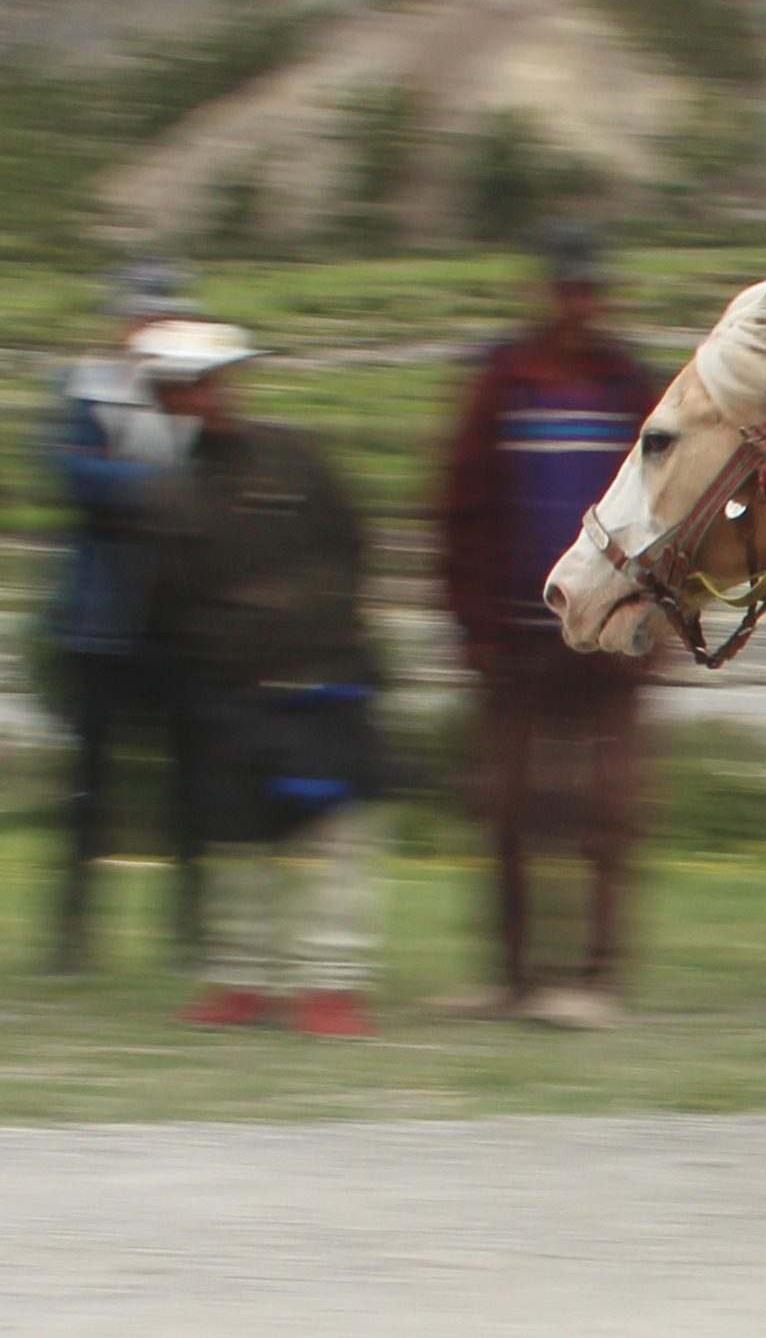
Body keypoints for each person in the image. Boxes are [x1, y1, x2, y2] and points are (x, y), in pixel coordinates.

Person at [435, 224, 658, 1027]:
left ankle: (594, 979)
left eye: (589, 290)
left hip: (610, 638)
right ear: (545, 293)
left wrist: (649, 624)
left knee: (608, 805)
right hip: (514, 637)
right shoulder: (504, 380)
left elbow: (670, 510)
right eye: (566, 289)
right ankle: (514, 977)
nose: (578, 306)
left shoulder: (630, 387)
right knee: (507, 805)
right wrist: (472, 628)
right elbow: (458, 509)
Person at [140, 320, 385, 1036]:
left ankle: (332, 985)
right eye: (183, 388)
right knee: (237, 842)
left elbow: (353, 544)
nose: (202, 398)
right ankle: (241, 979)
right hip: (229, 692)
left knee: (339, 836)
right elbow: (166, 605)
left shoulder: (296, 457)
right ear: (167, 400)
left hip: (326, 675)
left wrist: (315, 623)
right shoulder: (168, 497)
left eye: (211, 382)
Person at [41, 261, 206, 973]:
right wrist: (157, 487)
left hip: (174, 620)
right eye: (144, 317)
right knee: (90, 784)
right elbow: (74, 474)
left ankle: (192, 933)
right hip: (101, 620)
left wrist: (133, 487)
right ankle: (73, 935)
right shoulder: (87, 388)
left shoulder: (194, 398)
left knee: (187, 781)